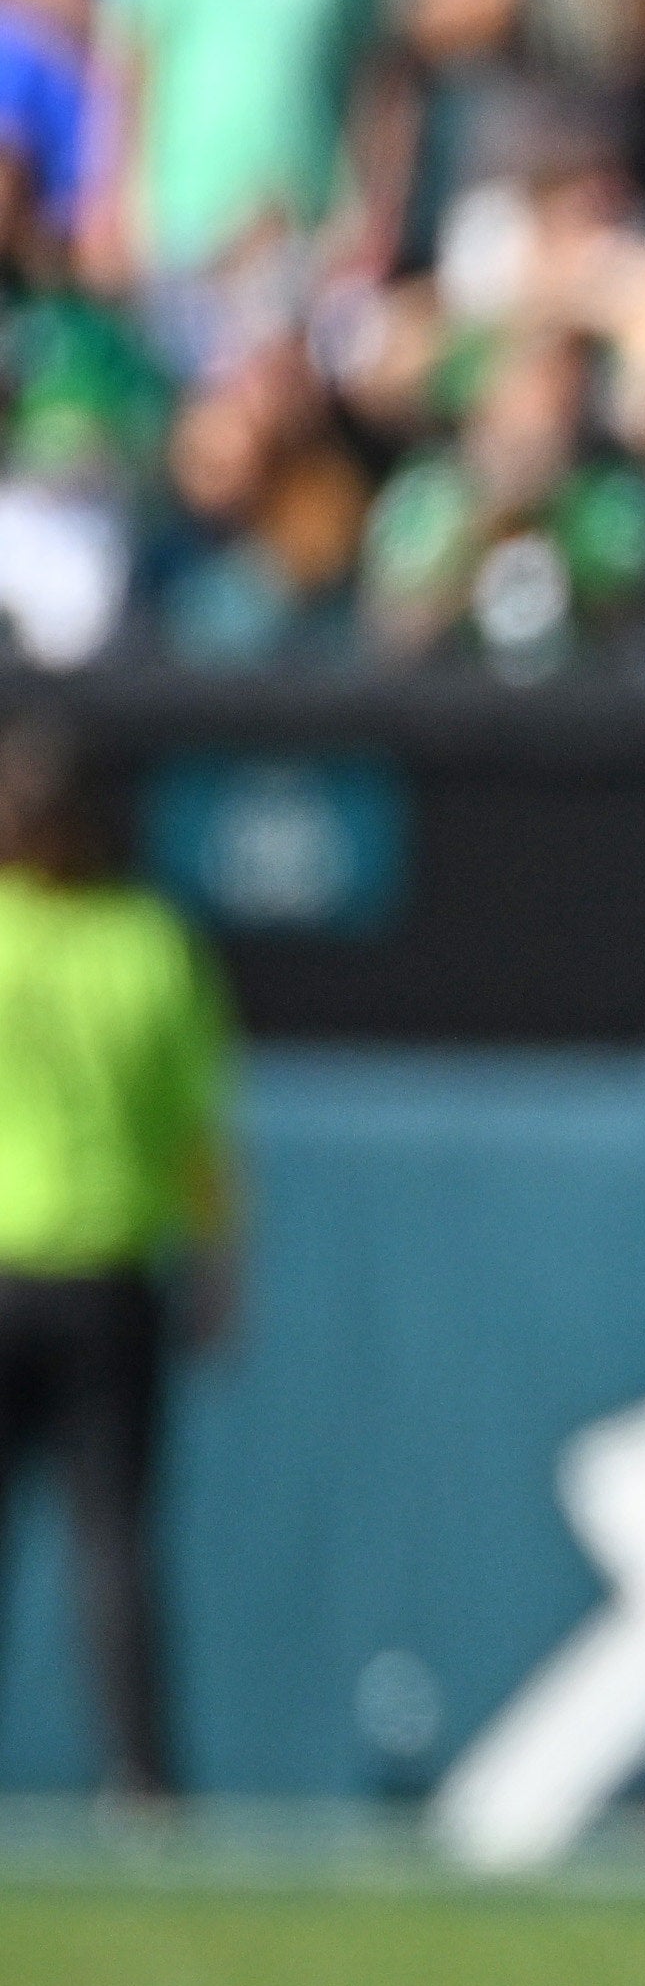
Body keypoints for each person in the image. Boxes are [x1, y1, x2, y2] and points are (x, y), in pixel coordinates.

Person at [0, 721, 235, 1798]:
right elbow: (200, 1136)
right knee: (112, 1545)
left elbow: (200, 1130)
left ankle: (142, 1777)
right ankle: (140, 1783)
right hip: (106, 1276)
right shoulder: (148, 940)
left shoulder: (121, 938)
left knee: (111, 1548)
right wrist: (221, 1267)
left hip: (42, 1265)